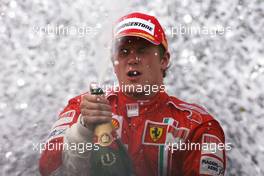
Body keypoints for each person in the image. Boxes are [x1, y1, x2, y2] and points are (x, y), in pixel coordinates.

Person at [39, 12, 226, 176]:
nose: (132, 60)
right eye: (124, 52)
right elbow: (48, 170)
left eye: (142, 51)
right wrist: (83, 130)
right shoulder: (83, 106)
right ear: (114, 63)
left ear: (164, 60)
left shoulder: (198, 125)